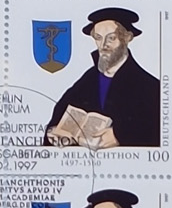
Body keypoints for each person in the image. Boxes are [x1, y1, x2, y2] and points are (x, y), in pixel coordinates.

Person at [43, 8, 163, 147]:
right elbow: (58, 117)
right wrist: (54, 132)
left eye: (111, 38)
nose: (103, 45)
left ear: (127, 38)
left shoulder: (150, 86)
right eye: (98, 38)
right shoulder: (87, 80)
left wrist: (120, 135)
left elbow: (160, 130)